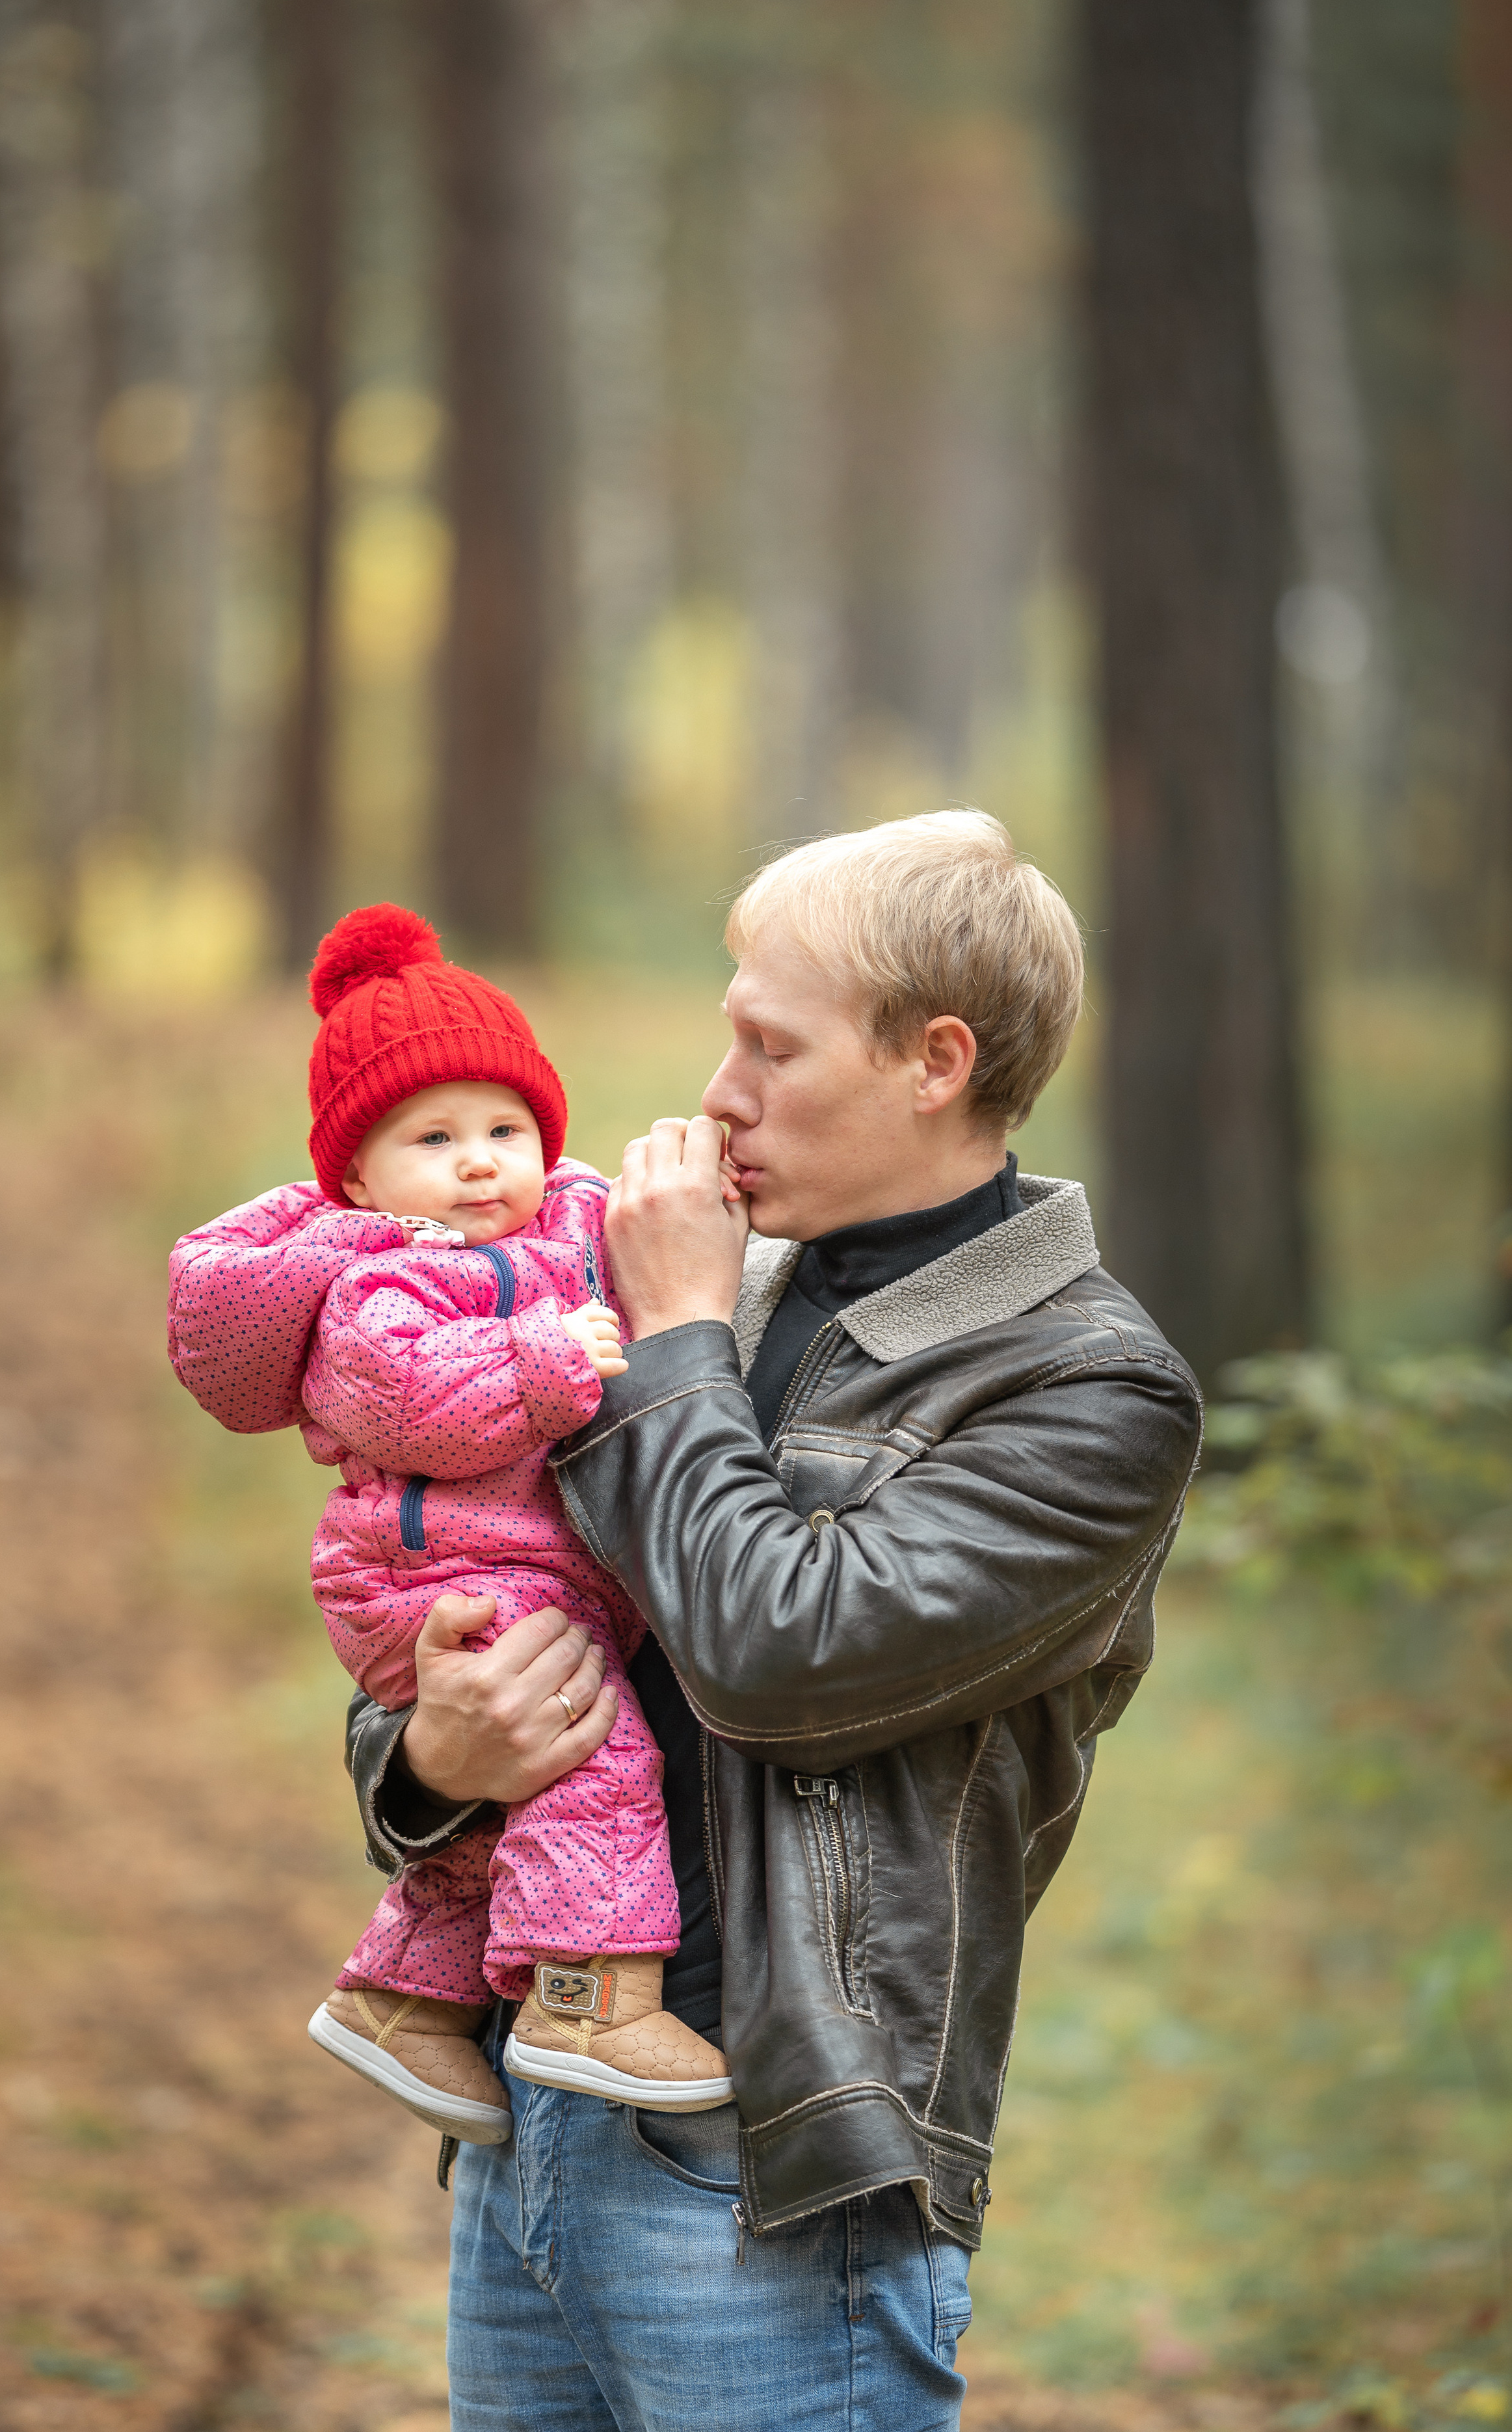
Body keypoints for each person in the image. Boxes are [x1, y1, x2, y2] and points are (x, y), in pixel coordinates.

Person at [346, 812, 1204, 2431]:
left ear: (932, 1062)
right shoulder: (688, 1294)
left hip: (766, 2166)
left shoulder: (1079, 1387)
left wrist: (669, 1336)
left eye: (768, 1045)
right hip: (534, 2101)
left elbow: (775, 1657)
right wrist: (425, 1760)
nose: (717, 1091)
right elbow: (445, 1611)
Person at [167, 903, 732, 2150]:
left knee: (502, 1819)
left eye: (506, 1128)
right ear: (358, 1177)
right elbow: (405, 1400)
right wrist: (539, 1363)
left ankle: (403, 2005)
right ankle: (590, 1998)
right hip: (434, 1579)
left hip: (515, 1566)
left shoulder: (563, 1230)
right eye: (434, 1137)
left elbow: (650, 1235)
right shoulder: (381, 1277)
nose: (481, 1161)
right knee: (596, 1756)